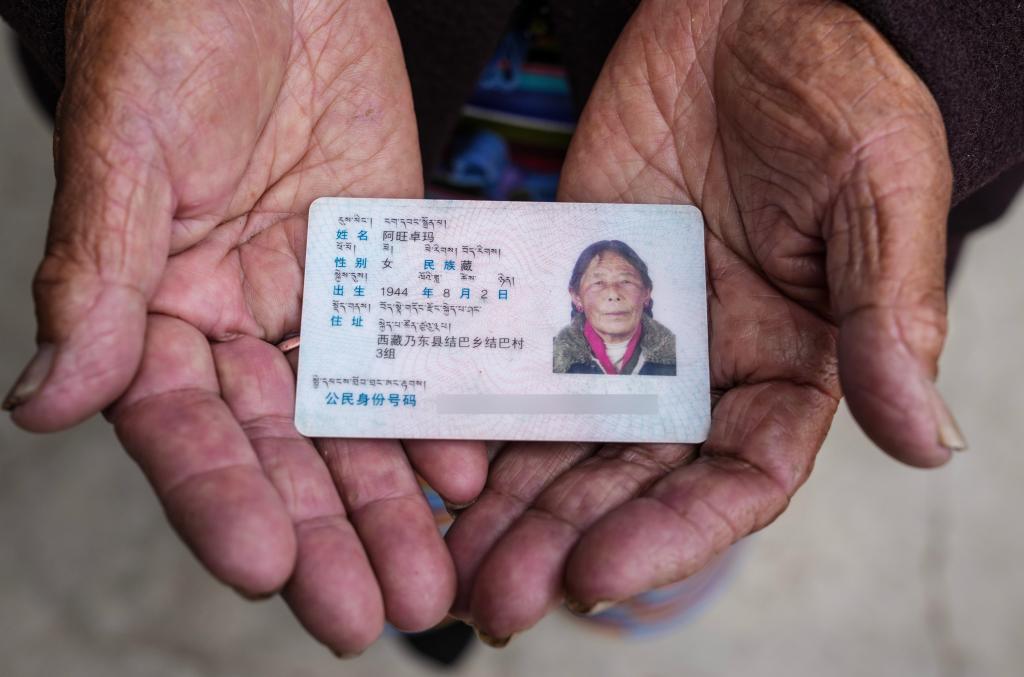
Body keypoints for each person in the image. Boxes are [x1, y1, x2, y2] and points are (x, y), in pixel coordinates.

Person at [1, 0, 1021, 657]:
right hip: (295, 149)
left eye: (626, 286)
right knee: (375, 469)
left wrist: (900, 32)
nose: (615, 297)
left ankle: (608, 573)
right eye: (600, 288)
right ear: (576, 301)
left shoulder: (675, 339)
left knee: (669, 465)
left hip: (732, 184)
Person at [553, 240, 676, 375]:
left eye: (625, 281)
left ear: (646, 293)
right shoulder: (554, 358)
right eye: (598, 283)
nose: (613, 294)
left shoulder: (677, 355)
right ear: (577, 297)